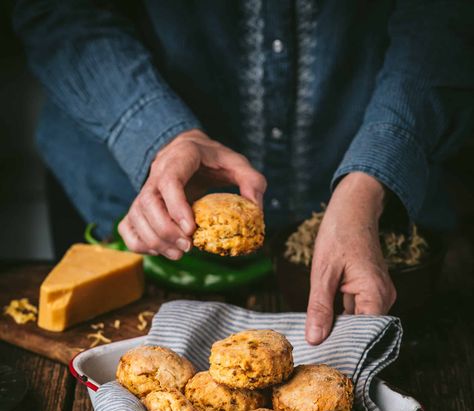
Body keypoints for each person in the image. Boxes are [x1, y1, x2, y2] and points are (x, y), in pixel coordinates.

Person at [14, 1, 474, 344]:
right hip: (134, 202)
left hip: (378, 225)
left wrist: (369, 179)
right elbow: (59, 10)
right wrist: (161, 137)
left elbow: (446, 19)